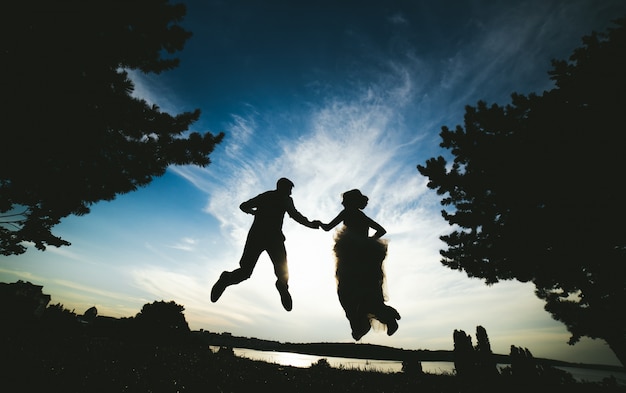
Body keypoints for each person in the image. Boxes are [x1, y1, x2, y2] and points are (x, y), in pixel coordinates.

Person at [211, 177, 321, 311]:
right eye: (290, 190)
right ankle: (281, 286)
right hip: (273, 238)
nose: (291, 193)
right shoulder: (285, 199)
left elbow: (243, 206)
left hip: (257, 236)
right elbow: (295, 215)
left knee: (246, 271)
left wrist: (255, 212)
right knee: (280, 271)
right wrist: (311, 224)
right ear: (284, 188)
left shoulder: (265, 196)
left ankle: (227, 278)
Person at [320, 189, 400, 340]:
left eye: (345, 200)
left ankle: (361, 326)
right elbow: (381, 230)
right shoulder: (362, 216)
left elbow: (328, 227)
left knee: (347, 292)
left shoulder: (347, 212)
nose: (342, 203)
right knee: (367, 291)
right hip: (366, 257)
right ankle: (386, 319)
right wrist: (369, 241)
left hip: (351, 257)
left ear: (350, 202)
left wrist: (317, 223)